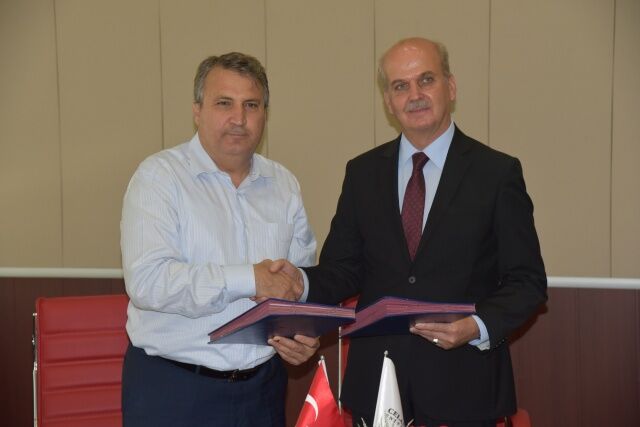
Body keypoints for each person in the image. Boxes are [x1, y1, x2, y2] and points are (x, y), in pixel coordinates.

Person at [273, 37, 547, 426]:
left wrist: (476, 327)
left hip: (466, 389)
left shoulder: (497, 173)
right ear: (388, 101)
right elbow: (343, 269)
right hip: (377, 386)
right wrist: (298, 282)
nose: (414, 95)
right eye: (400, 86)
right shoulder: (362, 173)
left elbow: (527, 282)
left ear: (450, 87)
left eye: (426, 80)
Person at [120, 52, 319, 427]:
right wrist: (249, 278)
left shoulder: (284, 184)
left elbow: (298, 278)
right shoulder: (159, 177)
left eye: (251, 105)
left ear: (265, 114)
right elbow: (148, 282)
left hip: (263, 391)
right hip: (174, 391)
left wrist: (300, 333)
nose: (239, 118)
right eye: (224, 103)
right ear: (197, 111)